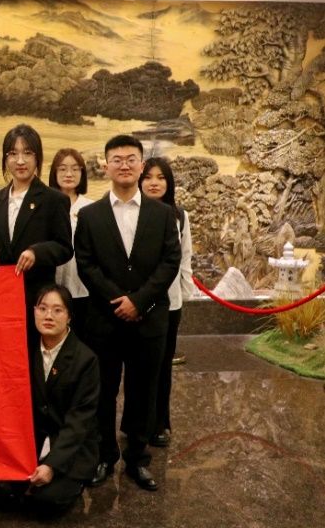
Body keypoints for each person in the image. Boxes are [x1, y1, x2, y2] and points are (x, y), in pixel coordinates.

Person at [74, 134, 181, 491]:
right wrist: (118, 300)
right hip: (104, 320)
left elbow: (170, 262)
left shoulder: (163, 214)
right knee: (103, 391)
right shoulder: (89, 215)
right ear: (105, 166)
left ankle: (137, 458)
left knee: (143, 390)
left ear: (141, 165)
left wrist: (140, 301)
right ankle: (105, 455)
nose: (124, 165)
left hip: (149, 319)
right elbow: (86, 264)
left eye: (131, 159)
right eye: (116, 159)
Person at [0, 124, 73, 358]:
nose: (20, 161)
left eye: (27, 153)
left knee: (32, 361)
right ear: (5, 159)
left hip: (36, 299)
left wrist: (37, 253)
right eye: (13, 153)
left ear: (37, 157)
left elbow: (64, 248)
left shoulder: (54, 200)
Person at [25, 284, 99, 518]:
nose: (48, 316)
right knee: (3, 490)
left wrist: (51, 465)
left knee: (48, 502)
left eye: (57, 310)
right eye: (42, 308)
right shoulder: (25, 350)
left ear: (69, 317)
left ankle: (76, 483)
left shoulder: (85, 360)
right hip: (34, 441)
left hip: (70, 444)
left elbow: (78, 422)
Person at [139, 156, 194, 448]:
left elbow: (185, 258)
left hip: (169, 303)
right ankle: (136, 424)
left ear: (169, 183)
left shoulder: (179, 216)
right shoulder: (131, 212)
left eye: (160, 177)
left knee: (162, 366)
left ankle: (159, 422)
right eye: (148, 177)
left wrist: (184, 294)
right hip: (136, 301)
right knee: (138, 367)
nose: (154, 183)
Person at [49, 148, 94, 342]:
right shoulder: (46, 204)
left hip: (82, 287)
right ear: (54, 173)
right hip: (51, 285)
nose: (69, 174)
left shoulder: (91, 208)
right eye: (63, 169)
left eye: (75, 169)